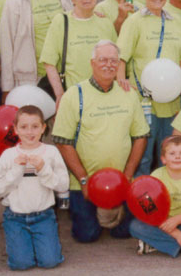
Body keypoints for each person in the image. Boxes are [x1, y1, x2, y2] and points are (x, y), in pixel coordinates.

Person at [52, 40, 148, 243]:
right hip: (84, 182)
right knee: (87, 235)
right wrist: (83, 179)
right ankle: (90, 215)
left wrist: (129, 174)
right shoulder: (74, 95)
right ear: (92, 63)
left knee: (124, 232)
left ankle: (113, 215)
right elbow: (62, 140)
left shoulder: (128, 93)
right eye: (102, 60)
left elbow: (140, 136)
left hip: (120, 181)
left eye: (114, 60)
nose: (109, 65)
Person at [117, 0, 181, 172]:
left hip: (171, 102)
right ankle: (140, 198)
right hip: (144, 102)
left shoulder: (176, 22)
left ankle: (168, 198)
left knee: (169, 153)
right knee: (142, 155)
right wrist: (121, 81)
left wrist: (179, 83)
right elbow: (121, 56)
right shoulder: (134, 21)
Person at [0, 105, 69, 270]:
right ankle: (20, 246)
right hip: (15, 217)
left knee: (50, 262)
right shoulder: (9, 155)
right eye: (24, 127)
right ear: (15, 130)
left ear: (43, 128)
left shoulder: (51, 152)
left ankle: (39, 244)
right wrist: (16, 170)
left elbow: (63, 185)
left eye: (35, 127)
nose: (30, 132)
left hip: (44, 216)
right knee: (21, 264)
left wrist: (43, 169)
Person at [0, 0, 71, 94]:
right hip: (33, 79)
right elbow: (6, 46)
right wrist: (7, 88)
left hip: (66, 75)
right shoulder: (14, 2)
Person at [42, 0, 118, 108]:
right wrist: (60, 95)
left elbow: (116, 61)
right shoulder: (61, 21)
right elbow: (49, 63)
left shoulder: (105, 23)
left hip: (103, 97)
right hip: (74, 98)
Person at [130, 135, 181, 258]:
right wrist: (176, 233)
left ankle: (156, 244)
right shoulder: (156, 176)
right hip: (163, 221)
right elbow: (150, 210)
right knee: (135, 226)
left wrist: (177, 220)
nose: (177, 157)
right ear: (163, 159)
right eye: (172, 153)